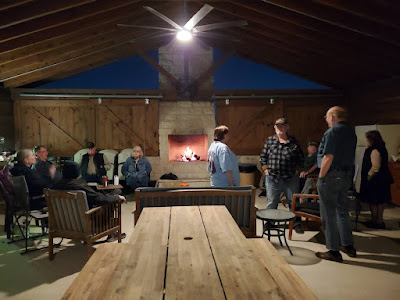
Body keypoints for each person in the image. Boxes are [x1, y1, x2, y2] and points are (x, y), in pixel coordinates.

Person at [316, 106, 357, 263]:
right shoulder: (350, 132)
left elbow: (328, 156)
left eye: (327, 117)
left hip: (331, 176)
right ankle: (347, 245)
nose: (326, 120)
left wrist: (321, 177)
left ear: (332, 117)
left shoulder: (332, 132)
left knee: (329, 213)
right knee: (342, 211)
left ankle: (333, 250)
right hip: (346, 175)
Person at [53, 161, 126, 241]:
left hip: (65, 224)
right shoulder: (79, 187)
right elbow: (99, 199)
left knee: (113, 195)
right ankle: (111, 233)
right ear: (76, 173)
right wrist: (117, 198)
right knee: (113, 197)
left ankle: (112, 234)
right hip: (87, 223)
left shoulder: (55, 187)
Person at [259, 117, 304, 232]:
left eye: (282, 126)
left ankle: (296, 222)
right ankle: (269, 222)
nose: (280, 128)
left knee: (293, 201)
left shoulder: (294, 142)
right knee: (272, 201)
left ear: (287, 127)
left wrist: (298, 169)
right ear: (275, 128)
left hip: (290, 177)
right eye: (278, 126)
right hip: (272, 177)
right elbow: (263, 157)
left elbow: (301, 158)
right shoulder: (269, 141)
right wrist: (265, 170)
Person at [360, 131, 394, 229]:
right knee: (380, 201)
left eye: (367, 139)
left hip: (376, 180)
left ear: (371, 140)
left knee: (374, 201)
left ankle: (376, 221)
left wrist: (368, 176)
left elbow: (375, 166)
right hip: (383, 179)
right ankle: (379, 220)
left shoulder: (374, 150)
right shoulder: (382, 148)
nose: (366, 141)